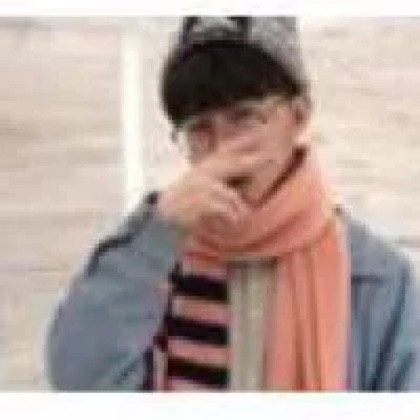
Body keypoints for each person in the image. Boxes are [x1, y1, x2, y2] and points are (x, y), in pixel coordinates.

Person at [45, 16, 420, 391]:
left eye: (244, 118)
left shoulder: (375, 278)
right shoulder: (151, 258)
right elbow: (78, 380)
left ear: (299, 114)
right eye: (200, 129)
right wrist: (158, 232)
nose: (223, 150)